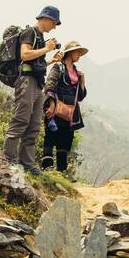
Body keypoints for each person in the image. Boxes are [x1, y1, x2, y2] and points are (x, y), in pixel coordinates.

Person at [3, 6, 61, 174]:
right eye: (54, 22)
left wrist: (50, 60)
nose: (55, 26)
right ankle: (8, 160)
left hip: (36, 83)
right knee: (21, 119)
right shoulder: (30, 32)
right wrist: (47, 49)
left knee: (34, 125)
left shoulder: (41, 38)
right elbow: (25, 55)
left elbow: (36, 63)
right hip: (26, 81)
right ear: (45, 18)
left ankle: (26, 164)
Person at [42, 40, 88, 172]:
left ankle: (61, 171)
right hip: (56, 107)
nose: (79, 54)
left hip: (70, 112)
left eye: (80, 52)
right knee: (51, 136)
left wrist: (82, 82)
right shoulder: (58, 67)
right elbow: (50, 84)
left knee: (65, 139)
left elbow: (80, 97)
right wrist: (51, 105)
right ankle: (47, 167)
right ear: (70, 53)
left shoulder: (77, 73)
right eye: (77, 52)